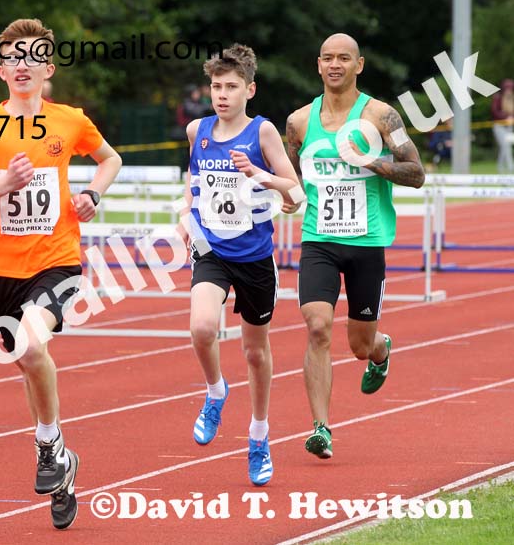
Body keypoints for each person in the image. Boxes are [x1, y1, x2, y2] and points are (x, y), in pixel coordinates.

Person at [0, 18, 121, 529]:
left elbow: (110, 160)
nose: (23, 63)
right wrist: (2, 186)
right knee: (27, 359)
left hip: (58, 261)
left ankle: (47, 444)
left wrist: (92, 194)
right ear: (1, 71)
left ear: (48, 68)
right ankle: (62, 467)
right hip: (1, 271)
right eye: (13, 56)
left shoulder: (71, 121)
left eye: (33, 56)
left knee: (31, 344)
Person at [285, 33, 425, 459]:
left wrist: (370, 161)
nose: (335, 65)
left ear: (358, 65)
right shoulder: (298, 122)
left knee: (359, 346)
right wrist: (287, 194)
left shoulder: (381, 116)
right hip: (319, 240)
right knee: (317, 327)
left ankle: (381, 350)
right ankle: (321, 428)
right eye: (328, 58)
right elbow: (292, 177)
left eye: (344, 58)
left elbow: (416, 173)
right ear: (318, 64)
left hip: (367, 241)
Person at [177, 44, 302, 486]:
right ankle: (215, 391)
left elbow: (295, 191)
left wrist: (259, 174)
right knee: (201, 328)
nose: (222, 94)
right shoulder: (197, 130)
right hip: (212, 250)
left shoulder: (262, 132)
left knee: (254, 352)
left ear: (250, 90)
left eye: (231, 87)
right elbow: (194, 178)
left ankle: (259, 435)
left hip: (254, 257)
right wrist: (186, 212)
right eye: (216, 86)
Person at [491, 78, 514, 173]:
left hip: (509, 126)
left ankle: (500, 168)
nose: (509, 90)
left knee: (506, 146)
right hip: (499, 125)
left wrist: (511, 118)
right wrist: (506, 117)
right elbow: (494, 112)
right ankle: (510, 167)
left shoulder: (511, 98)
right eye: (507, 88)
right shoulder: (497, 98)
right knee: (505, 145)